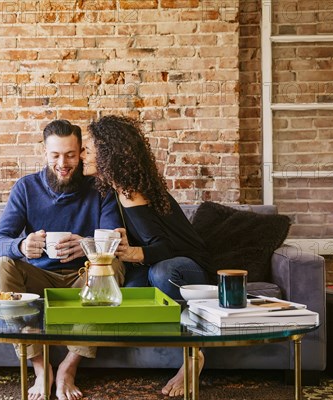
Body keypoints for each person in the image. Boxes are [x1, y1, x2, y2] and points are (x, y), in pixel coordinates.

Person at [82, 115, 218, 397]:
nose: (84, 155)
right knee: (130, 293)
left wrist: (130, 252)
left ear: (107, 155)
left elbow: (164, 248)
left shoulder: (132, 192)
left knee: (162, 274)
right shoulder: (118, 188)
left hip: (189, 266)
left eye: (88, 150)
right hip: (160, 261)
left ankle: (193, 356)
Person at [0, 119, 124, 400]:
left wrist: (85, 245)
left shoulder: (101, 189)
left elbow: (114, 239)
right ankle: (40, 367)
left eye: (71, 155)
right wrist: (22, 245)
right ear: (45, 153)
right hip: (38, 277)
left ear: (81, 153)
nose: (63, 163)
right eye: (56, 155)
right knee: (1, 265)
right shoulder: (26, 188)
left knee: (111, 265)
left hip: (83, 277)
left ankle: (68, 367)